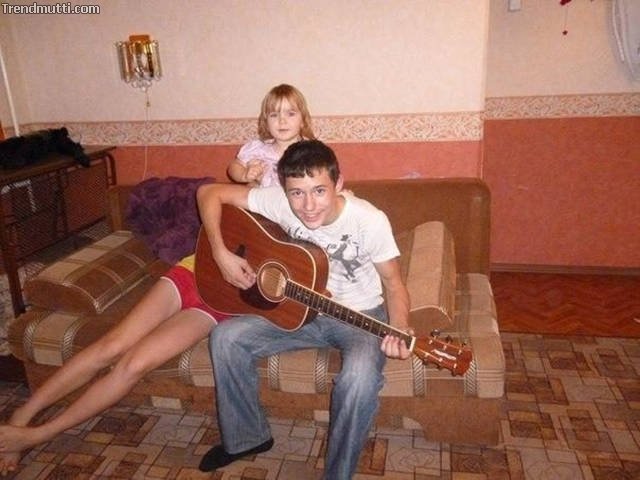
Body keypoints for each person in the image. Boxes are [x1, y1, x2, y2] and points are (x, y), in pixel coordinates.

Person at [196, 139, 412, 479]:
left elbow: (394, 284)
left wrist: (399, 326)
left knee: (358, 378)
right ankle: (247, 439)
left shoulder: (369, 221)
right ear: (285, 189)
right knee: (225, 337)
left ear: (338, 184)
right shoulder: (280, 201)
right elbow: (208, 193)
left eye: (319, 191)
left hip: (358, 317)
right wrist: (220, 252)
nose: (308, 205)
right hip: (298, 310)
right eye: (297, 193)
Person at [227, 83, 315, 187]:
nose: (282, 121)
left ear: (303, 121)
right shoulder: (258, 149)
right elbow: (234, 166)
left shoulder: (312, 151)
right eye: (274, 115)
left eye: (290, 114)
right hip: (265, 196)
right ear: (266, 123)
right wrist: (244, 174)